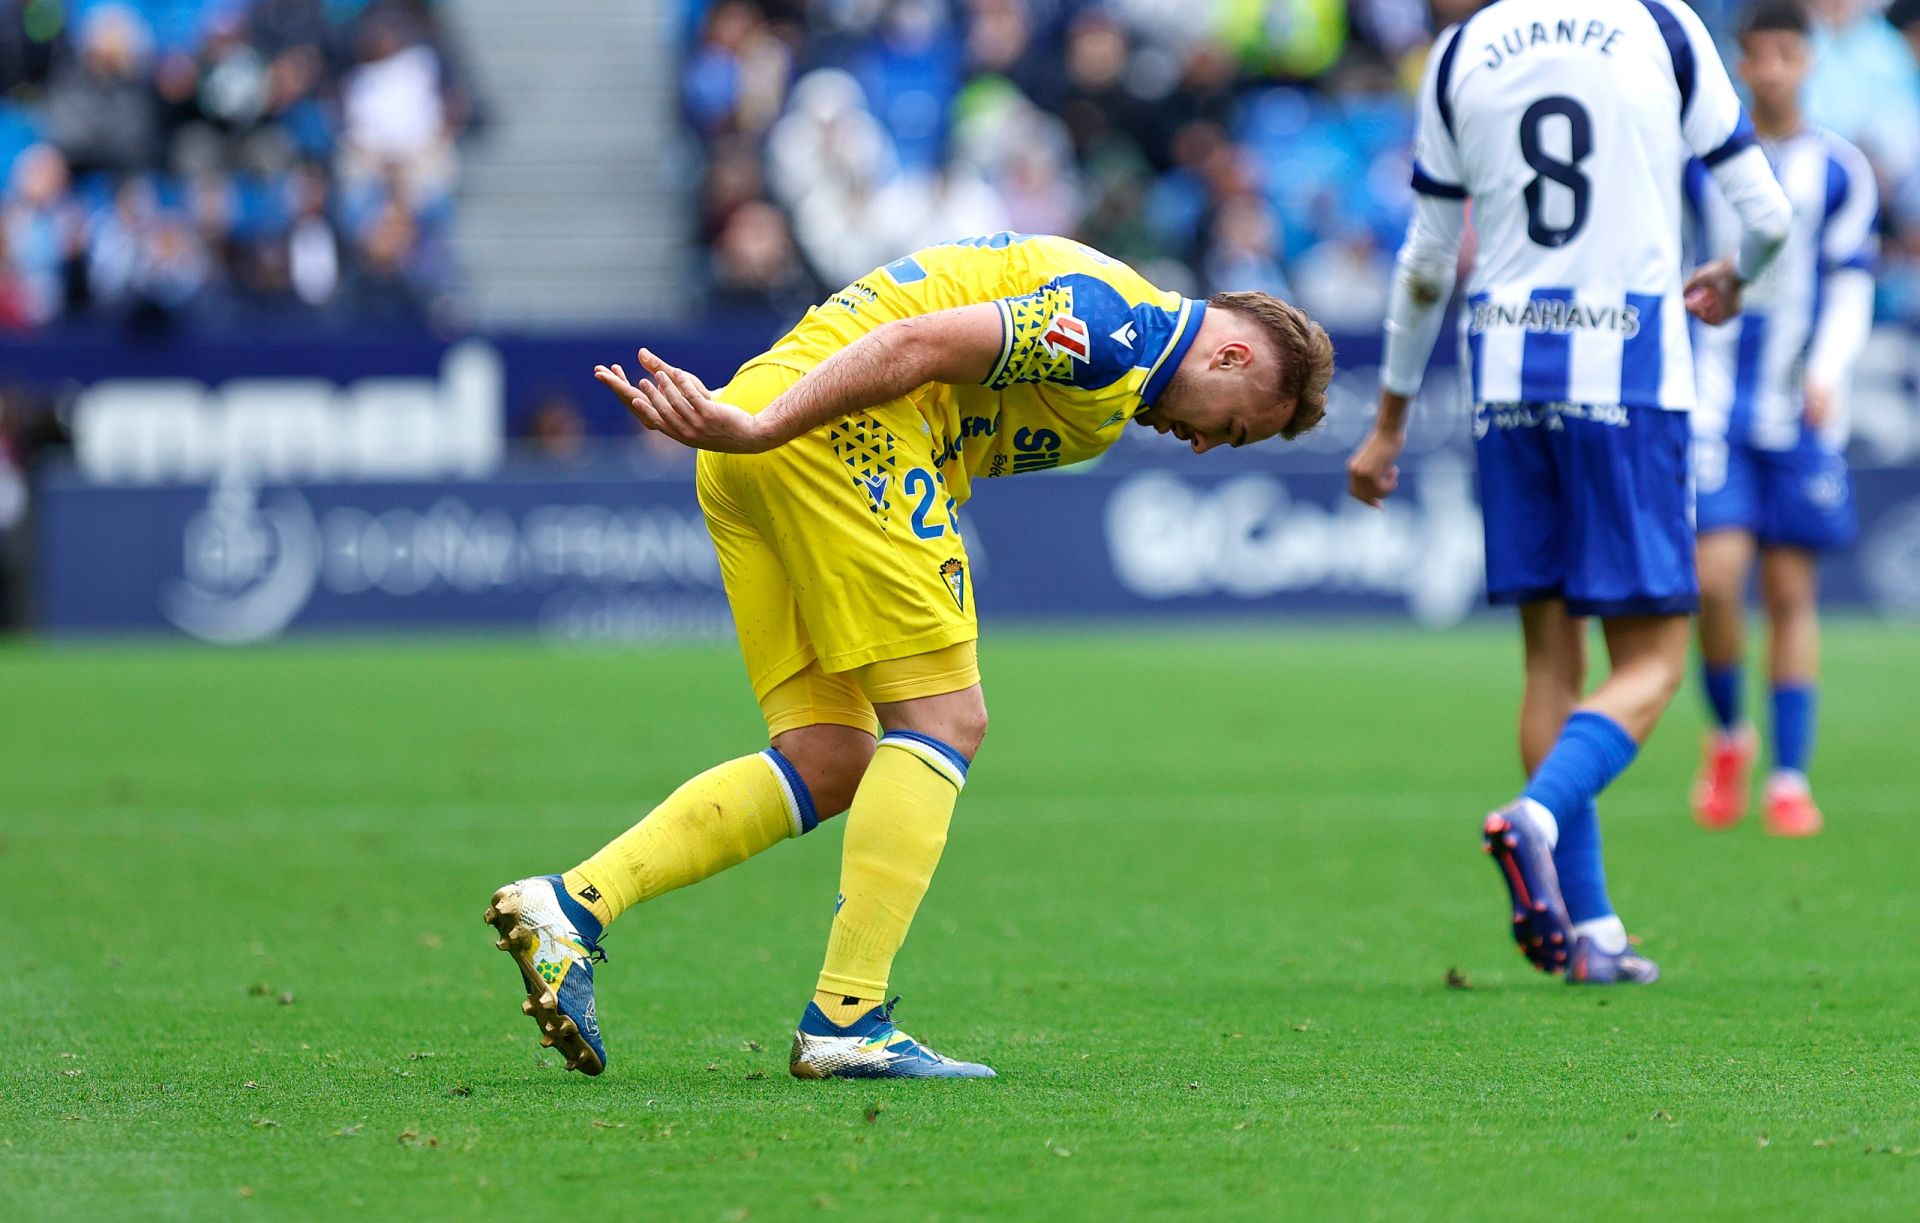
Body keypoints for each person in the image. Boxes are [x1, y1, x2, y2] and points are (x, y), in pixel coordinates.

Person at [485, 232, 1334, 1078]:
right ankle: (847, 1017)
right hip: (821, 433)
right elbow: (910, 344)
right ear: (1230, 356)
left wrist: (756, 425)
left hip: (769, 435)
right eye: (1232, 429)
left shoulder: (1119, 368)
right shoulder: (1116, 328)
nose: (1203, 445)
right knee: (946, 720)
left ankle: (571, 905)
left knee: (831, 756)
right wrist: (762, 427)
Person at [1347, 0, 1792, 983]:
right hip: (1626, 372)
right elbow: (1769, 213)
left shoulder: (1462, 48)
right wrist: (1735, 275)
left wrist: (1388, 420)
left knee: (1550, 660)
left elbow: (1426, 262)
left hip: (1504, 374)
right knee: (1652, 665)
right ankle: (1535, 816)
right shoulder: (1662, 26)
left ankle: (1590, 931)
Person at [1687, 1, 1878, 837]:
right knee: (1713, 583)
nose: (1770, 69)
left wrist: (1829, 370)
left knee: (1793, 592)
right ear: (1736, 62)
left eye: (1786, 54)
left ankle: (1790, 777)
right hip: (1711, 405)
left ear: (1808, 61)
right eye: (1756, 54)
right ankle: (1731, 733)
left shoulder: (1841, 169)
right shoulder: (1698, 167)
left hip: (1797, 409)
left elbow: (1852, 282)